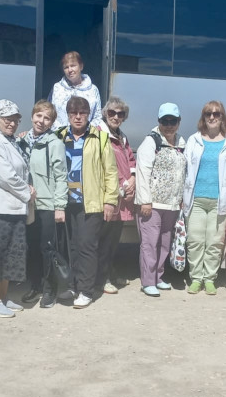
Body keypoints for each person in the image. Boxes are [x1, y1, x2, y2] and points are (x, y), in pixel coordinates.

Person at [56, 96, 119, 309]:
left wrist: (110, 201)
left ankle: (86, 290)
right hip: (66, 202)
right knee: (71, 247)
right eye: (73, 112)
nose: (78, 116)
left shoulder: (100, 138)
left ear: (88, 114)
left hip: (90, 202)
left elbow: (111, 172)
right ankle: (73, 285)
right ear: (68, 114)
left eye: (82, 112)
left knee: (86, 247)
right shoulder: (59, 137)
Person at [0, 100, 34, 318]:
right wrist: (27, 192)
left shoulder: (11, 142)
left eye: (15, 119)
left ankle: (3, 297)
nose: (11, 123)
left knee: (11, 255)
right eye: (7, 119)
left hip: (15, 208)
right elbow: (6, 176)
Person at [182, 101, 226, 295]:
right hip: (196, 199)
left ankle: (209, 278)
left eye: (217, 114)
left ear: (222, 117)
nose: (212, 117)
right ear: (203, 117)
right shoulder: (194, 140)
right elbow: (184, 169)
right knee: (195, 241)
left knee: (215, 242)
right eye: (208, 114)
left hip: (219, 200)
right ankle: (196, 278)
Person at [17, 100, 68, 308]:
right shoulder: (20, 142)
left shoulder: (55, 143)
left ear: (52, 122)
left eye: (47, 118)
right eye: (39, 116)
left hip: (46, 205)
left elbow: (61, 176)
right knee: (31, 249)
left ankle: (49, 290)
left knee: (48, 249)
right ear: (32, 116)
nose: (42, 121)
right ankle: (35, 286)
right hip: (26, 204)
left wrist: (60, 206)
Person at [134, 103, 187, 297]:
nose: (169, 125)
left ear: (179, 122)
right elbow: (142, 172)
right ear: (159, 122)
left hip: (172, 204)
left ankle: (158, 277)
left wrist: (181, 198)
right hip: (152, 204)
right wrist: (145, 201)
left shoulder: (182, 143)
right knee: (150, 243)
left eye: (173, 121)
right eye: (165, 121)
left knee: (165, 243)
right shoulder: (151, 141)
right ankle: (147, 281)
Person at [97, 96, 136, 294]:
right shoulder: (98, 134)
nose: (116, 116)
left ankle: (110, 273)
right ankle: (102, 279)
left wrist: (133, 179)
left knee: (113, 240)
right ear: (105, 114)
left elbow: (130, 159)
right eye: (112, 112)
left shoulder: (122, 137)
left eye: (120, 114)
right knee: (103, 240)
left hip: (123, 196)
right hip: (108, 196)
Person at [49, 51, 102, 130]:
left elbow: (97, 117)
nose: (70, 70)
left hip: (85, 137)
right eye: (66, 67)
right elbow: (50, 112)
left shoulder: (93, 89)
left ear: (81, 66)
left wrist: (86, 131)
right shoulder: (57, 88)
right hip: (59, 136)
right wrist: (61, 132)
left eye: (73, 66)